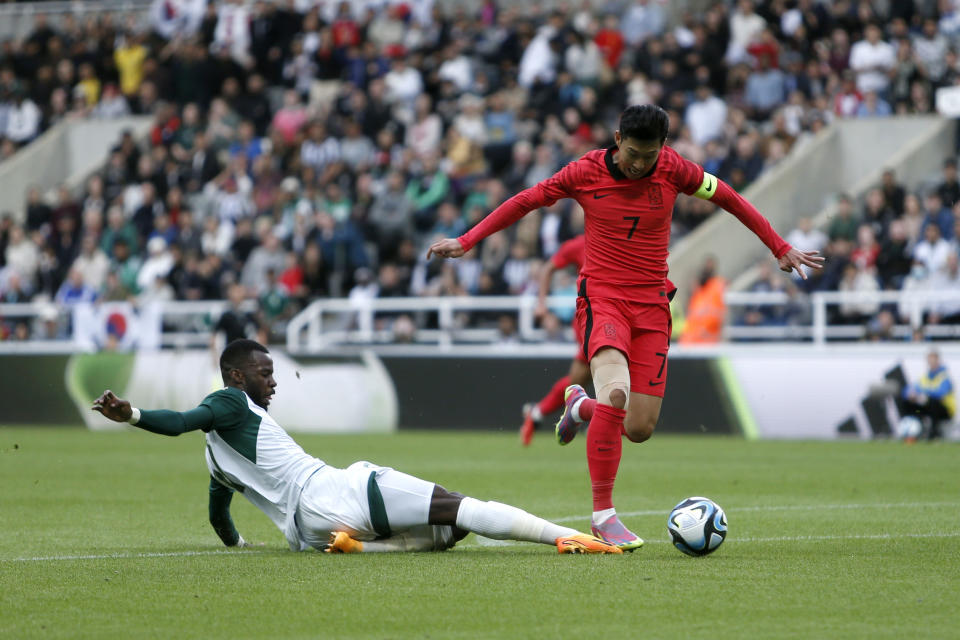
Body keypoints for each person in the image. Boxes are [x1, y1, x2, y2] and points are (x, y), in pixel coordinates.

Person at [427, 105, 823, 550]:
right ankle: (603, 515)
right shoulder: (584, 173)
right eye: (633, 152)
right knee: (615, 391)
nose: (639, 163)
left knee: (638, 427)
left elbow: (729, 197)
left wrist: (779, 246)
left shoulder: (675, 170)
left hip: (653, 306)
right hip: (603, 298)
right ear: (618, 140)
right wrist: (466, 240)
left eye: (649, 155)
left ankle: (579, 406)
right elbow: (527, 200)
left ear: (664, 149)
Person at [91, 339, 621, 555]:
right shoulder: (229, 402)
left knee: (447, 535)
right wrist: (132, 414)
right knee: (463, 508)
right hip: (331, 489)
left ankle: (364, 548)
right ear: (236, 375)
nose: (272, 383)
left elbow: (218, 515)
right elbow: (183, 419)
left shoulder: (219, 455)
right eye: (264, 373)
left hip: (306, 533)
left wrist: (236, 547)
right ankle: (570, 538)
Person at [519, 235, 592, 446]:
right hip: (590, 319)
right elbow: (547, 268)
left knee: (580, 380)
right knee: (593, 374)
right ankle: (608, 423)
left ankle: (536, 413)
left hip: (615, 316)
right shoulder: (578, 244)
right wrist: (541, 303)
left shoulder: (620, 237)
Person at [900, 349, 955, 441]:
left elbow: (940, 393)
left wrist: (923, 392)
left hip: (945, 411)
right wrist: (911, 394)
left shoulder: (944, 377)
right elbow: (908, 390)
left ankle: (934, 433)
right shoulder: (925, 377)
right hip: (928, 410)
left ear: (938, 361)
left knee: (933, 402)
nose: (931, 363)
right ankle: (914, 431)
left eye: (933, 361)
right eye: (929, 361)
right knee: (908, 403)